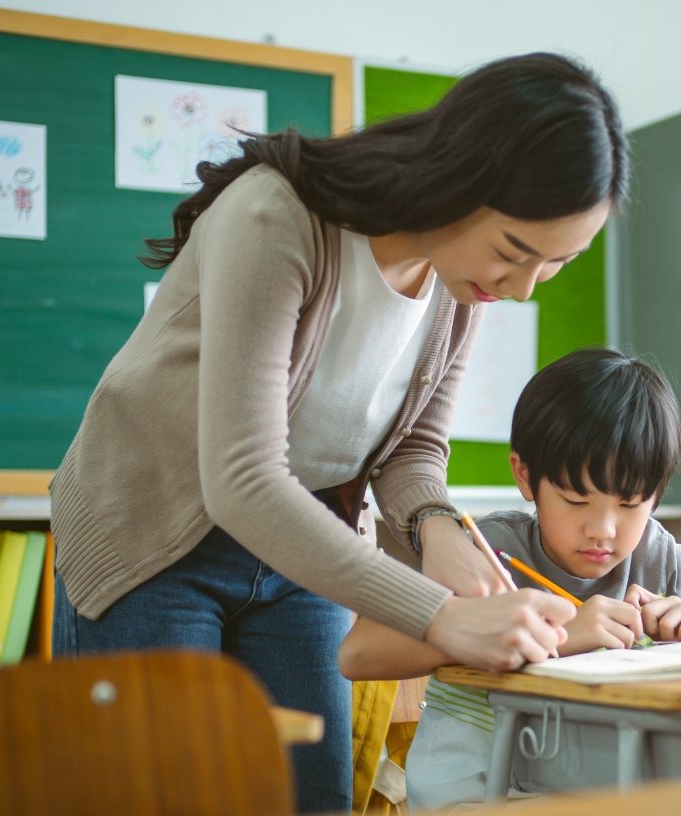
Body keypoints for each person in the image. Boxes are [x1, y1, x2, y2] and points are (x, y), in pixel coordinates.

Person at [49, 52, 628, 812]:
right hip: (152, 535)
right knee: (166, 791)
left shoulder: (460, 284)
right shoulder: (276, 216)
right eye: (514, 252)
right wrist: (442, 617)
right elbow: (243, 479)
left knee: (315, 794)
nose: (520, 289)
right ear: (458, 180)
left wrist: (435, 522)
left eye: (554, 265)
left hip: (302, 547)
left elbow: (415, 448)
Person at [337, 347, 681, 809]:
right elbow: (359, 652)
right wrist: (560, 635)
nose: (604, 531)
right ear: (525, 477)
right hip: (476, 792)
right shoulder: (488, 554)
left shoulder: (658, 558)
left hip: (593, 788)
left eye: (631, 505)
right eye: (576, 501)